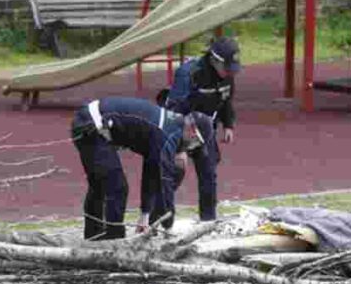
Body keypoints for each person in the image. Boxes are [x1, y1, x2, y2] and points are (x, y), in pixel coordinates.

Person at [70, 96, 215, 240]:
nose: (191, 149)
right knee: (117, 187)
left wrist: (144, 215)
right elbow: (165, 183)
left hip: (90, 120)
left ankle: (93, 237)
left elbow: (151, 172)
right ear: (192, 131)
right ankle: (113, 240)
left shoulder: (171, 128)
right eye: (195, 143)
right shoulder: (167, 136)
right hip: (91, 124)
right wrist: (168, 226)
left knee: (101, 183)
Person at [159, 36, 241, 223]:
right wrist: (180, 147)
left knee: (208, 172)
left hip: (205, 130)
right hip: (181, 126)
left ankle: (208, 220)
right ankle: (160, 216)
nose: (230, 73)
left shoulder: (228, 75)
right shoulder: (189, 73)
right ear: (214, 60)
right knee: (175, 172)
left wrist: (228, 125)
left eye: (232, 69)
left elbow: (226, 100)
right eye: (226, 68)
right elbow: (173, 110)